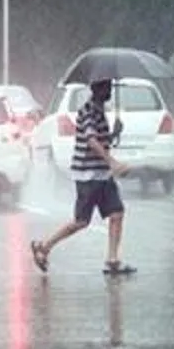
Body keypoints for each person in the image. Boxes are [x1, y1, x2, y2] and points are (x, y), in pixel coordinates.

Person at [30, 79, 136, 275]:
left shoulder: (99, 110)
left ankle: (112, 260)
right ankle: (44, 246)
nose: (110, 91)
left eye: (111, 87)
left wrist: (114, 134)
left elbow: (100, 139)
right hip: (88, 175)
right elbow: (91, 140)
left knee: (116, 214)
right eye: (107, 88)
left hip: (102, 174)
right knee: (81, 221)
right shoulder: (88, 110)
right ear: (97, 89)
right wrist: (112, 162)